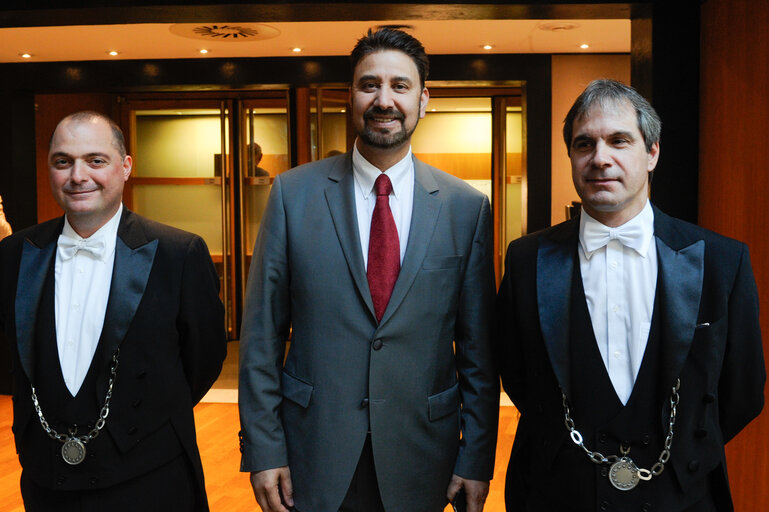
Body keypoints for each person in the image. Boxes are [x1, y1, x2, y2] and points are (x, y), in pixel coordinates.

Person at [238, 28, 498, 512]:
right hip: (312, 451)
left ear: (424, 100)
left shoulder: (467, 208)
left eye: (400, 86)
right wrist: (263, 447)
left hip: (425, 456)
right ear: (350, 96)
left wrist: (476, 458)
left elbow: (479, 354)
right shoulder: (293, 195)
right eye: (369, 85)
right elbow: (261, 339)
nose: (384, 100)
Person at [496, 79, 765, 511]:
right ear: (571, 156)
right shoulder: (527, 259)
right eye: (585, 144)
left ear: (652, 152)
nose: (600, 158)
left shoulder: (721, 260)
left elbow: (743, 392)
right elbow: (518, 378)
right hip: (557, 497)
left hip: (683, 499)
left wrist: (680, 462)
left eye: (619, 141)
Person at [0, 111, 227, 511]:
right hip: (46, 479)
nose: (77, 175)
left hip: (151, 477)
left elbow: (203, 361)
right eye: (63, 161)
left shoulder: (180, 253)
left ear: (125, 168)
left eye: (95, 160)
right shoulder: (15, 254)